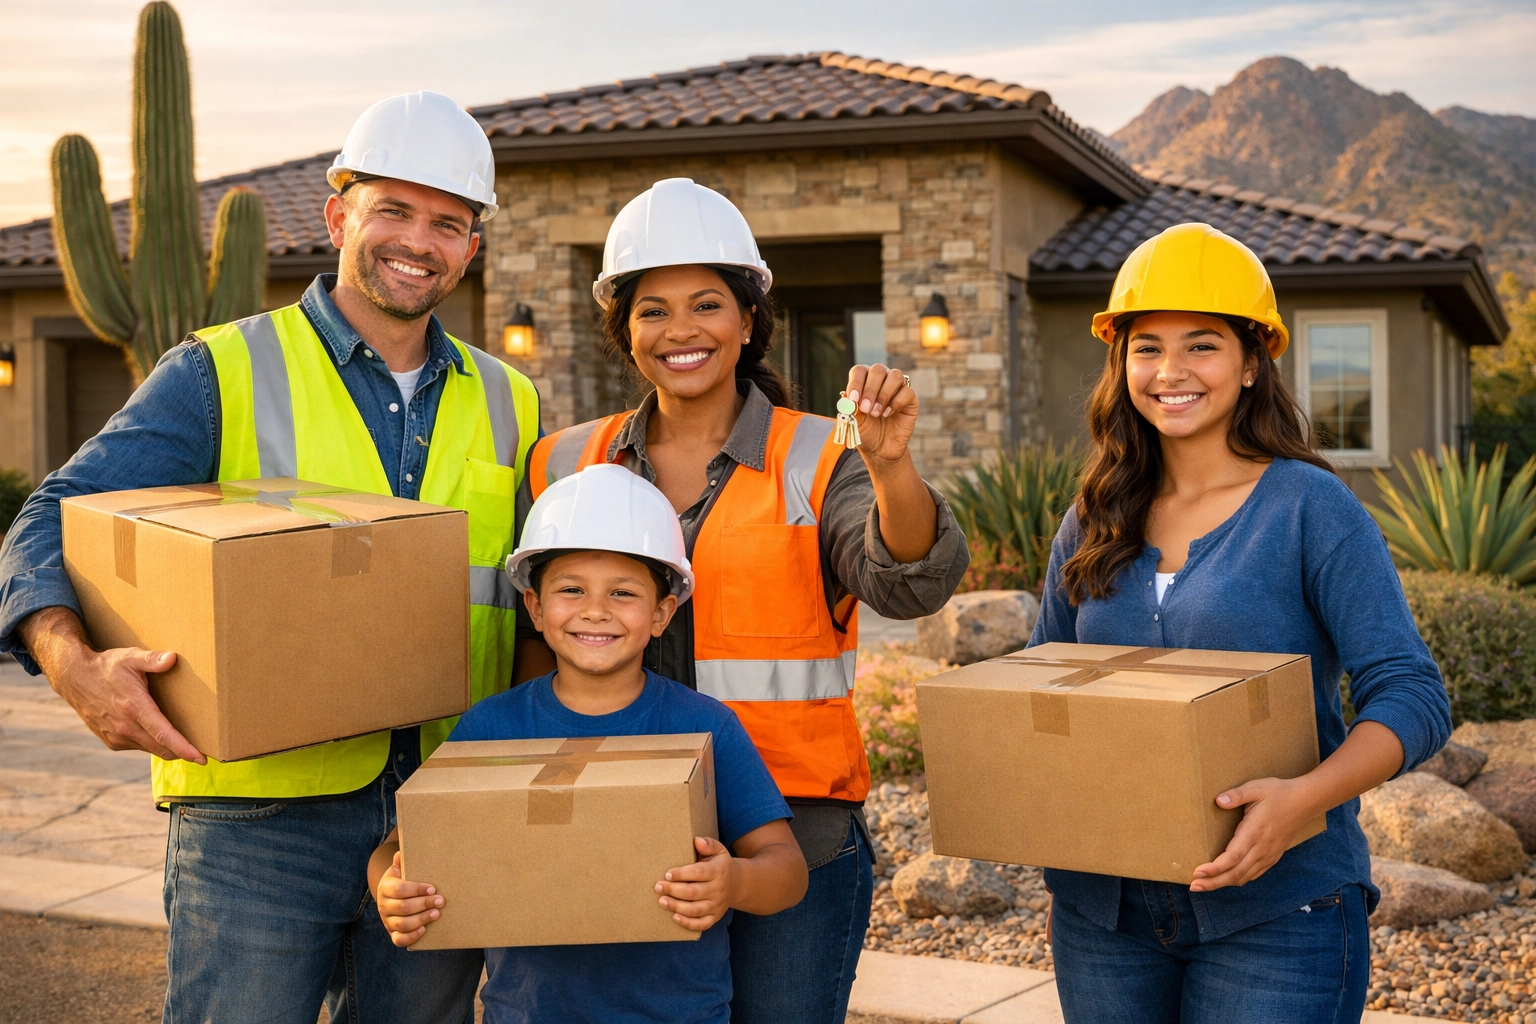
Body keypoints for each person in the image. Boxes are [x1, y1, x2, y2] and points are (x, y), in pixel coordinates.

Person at [0, 91, 541, 1023]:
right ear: (338, 218)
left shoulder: (510, 399)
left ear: (471, 249)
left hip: (442, 809)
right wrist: (71, 663)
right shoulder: (219, 370)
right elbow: (53, 515)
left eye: (448, 223)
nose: (419, 241)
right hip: (258, 819)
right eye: (394, 210)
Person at [523, 177, 970, 1023]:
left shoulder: (822, 456)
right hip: (611, 816)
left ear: (748, 319)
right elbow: (529, 650)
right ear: (624, 330)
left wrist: (890, 467)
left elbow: (908, 581)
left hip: (792, 830)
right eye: (653, 310)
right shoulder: (563, 463)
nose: (681, 330)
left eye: (707, 305)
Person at [1028, 222, 1452, 1023]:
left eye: (1203, 345)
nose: (1171, 371)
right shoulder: (1092, 516)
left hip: (1278, 910)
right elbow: (1041, 690)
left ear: (1253, 361)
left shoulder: (1310, 508)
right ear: (1121, 363)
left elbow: (1412, 695)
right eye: (1147, 347)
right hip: (1102, 914)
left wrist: (1301, 799)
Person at [371, 463, 808, 1024]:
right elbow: (397, 847)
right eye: (571, 589)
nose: (595, 610)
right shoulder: (492, 729)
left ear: (661, 613)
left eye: (622, 593)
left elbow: (786, 869)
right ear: (535, 607)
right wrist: (389, 887)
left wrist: (734, 882)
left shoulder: (705, 727)